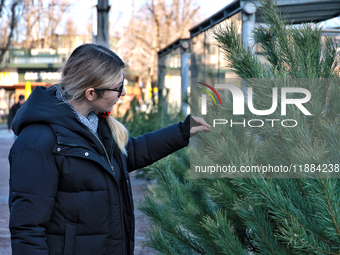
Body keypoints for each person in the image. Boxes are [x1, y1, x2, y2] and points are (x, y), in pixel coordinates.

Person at [8, 43, 210, 255]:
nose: (122, 93)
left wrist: (183, 131)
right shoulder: (38, 142)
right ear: (91, 93)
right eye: (117, 87)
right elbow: (27, 230)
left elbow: (129, 153)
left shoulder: (95, 124)